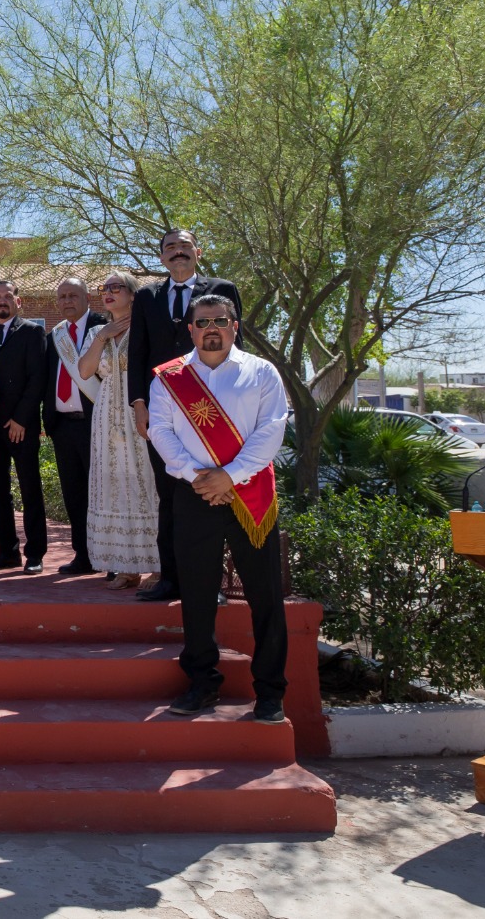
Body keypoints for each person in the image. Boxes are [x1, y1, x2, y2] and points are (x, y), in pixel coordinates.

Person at [147, 295, 290, 723]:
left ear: (235, 326)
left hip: (251, 495)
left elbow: (272, 430)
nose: (212, 328)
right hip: (194, 494)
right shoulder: (169, 378)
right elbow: (161, 432)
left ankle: (270, 693)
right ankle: (202, 683)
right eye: (203, 321)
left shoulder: (261, 372)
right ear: (191, 329)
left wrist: (230, 476)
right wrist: (198, 477)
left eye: (221, 321)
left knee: (265, 596)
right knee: (196, 594)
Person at [127, 228, 244, 602]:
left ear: (198, 252)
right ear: (162, 256)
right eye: (170, 247)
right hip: (163, 412)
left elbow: (236, 347)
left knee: (212, 494)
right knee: (170, 497)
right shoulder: (147, 296)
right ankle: (171, 580)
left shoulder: (222, 290)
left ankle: (210, 585)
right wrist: (139, 405)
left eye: (184, 246)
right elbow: (138, 352)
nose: (178, 252)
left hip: (209, 410)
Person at [77, 270, 162, 589]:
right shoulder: (96, 331)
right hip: (106, 412)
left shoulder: (147, 326)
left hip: (139, 405)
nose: (108, 292)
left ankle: (159, 566)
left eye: (117, 287)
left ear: (133, 294)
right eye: (104, 288)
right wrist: (103, 335)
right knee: (114, 484)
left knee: (146, 482)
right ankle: (126, 566)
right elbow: (85, 371)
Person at [0, 280, 49, 573]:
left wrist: (21, 419)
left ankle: (35, 554)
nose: (2, 300)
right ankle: (7, 552)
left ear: (18, 301)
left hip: (21, 426)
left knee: (30, 489)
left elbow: (37, 378)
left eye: (8, 296)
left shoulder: (32, 332)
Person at [43, 277, 107, 576]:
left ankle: (110, 557)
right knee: (74, 494)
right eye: (62, 297)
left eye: (73, 295)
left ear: (87, 297)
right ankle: (84, 555)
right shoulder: (55, 336)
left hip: (96, 424)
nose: (67, 301)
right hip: (63, 427)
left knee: (103, 493)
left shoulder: (103, 328)